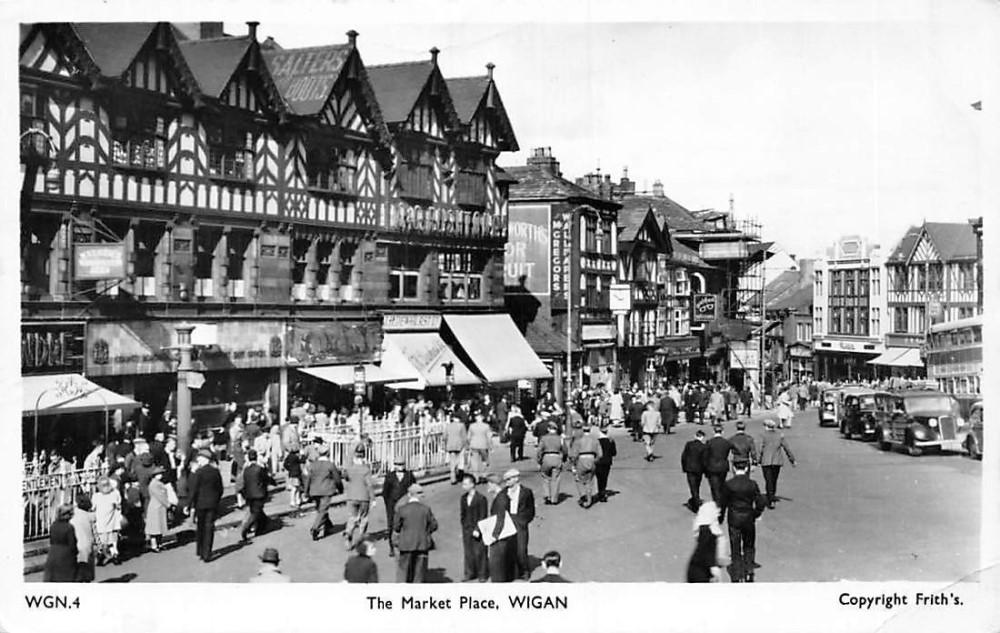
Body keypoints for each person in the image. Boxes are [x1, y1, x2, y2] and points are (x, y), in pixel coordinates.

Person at [720, 460, 767, 582]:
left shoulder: (729, 484)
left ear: (734, 469)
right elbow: (761, 501)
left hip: (734, 517)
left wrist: (720, 517)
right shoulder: (752, 484)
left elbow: (722, 503)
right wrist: (756, 513)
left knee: (735, 546)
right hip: (748, 517)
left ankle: (736, 574)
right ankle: (749, 571)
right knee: (749, 544)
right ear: (747, 469)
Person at [494, 469, 536, 580]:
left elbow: (531, 510)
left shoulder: (526, 492)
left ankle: (524, 571)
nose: (506, 482)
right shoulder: (503, 493)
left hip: (520, 521)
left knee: (521, 549)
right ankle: (511, 572)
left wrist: (524, 521)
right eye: (505, 480)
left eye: (509, 479)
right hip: (508, 521)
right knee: (509, 548)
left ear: (516, 479)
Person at [393, 483, 438, 583]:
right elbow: (434, 525)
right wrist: (425, 531)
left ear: (409, 495)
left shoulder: (402, 509)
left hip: (406, 544)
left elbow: (396, 526)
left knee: (403, 571)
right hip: (422, 544)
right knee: (419, 573)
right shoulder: (426, 509)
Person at [187, 450, 223, 562]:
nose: (198, 460)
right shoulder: (215, 472)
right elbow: (220, 489)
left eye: (200, 458)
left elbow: (193, 490)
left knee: (201, 527)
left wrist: (189, 504)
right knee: (209, 528)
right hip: (212, 504)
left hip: (200, 504)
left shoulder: (198, 472)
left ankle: (201, 551)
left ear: (205, 460)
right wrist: (216, 500)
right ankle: (207, 553)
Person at [305, 443, 343, 540]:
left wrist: (306, 492)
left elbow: (308, 479)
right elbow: (337, 478)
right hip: (326, 490)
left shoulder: (313, 465)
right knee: (323, 510)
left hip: (314, 491)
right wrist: (340, 488)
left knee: (320, 509)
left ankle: (328, 526)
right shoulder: (330, 465)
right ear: (328, 453)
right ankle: (315, 528)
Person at [380, 456, 416, 557]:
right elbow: (385, 492)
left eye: (401, 464)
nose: (399, 467)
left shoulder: (409, 475)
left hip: (405, 504)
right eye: (397, 464)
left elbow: (413, 489)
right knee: (392, 524)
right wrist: (388, 504)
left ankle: (405, 546)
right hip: (392, 504)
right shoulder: (390, 476)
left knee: (405, 524)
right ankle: (392, 547)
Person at [343, 445, 376, 551]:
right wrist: (373, 498)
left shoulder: (350, 469)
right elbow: (369, 485)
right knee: (364, 518)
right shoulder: (366, 469)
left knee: (352, 517)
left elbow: (346, 478)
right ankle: (361, 538)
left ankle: (349, 533)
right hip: (364, 497)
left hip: (351, 496)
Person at [758, 419, 797, 508]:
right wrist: (792, 460)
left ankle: (770, 498)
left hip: (766, 461)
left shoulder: (762, 435)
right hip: (777, 461)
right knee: (774, 480)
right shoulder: (779, 435)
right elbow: (787, 448)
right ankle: (772, 496)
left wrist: (756, 460)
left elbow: (760, 449)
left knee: (768, 480)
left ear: (766, 426)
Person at [459, 472, 489, 582]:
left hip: (478, 529)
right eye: (463, 484)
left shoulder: (481, 499)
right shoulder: (463, 498)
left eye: (466, 484)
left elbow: (483, 515)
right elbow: (463, 514)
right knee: (468, 552)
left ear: (472, 484)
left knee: (480, 552)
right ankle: (469, 573)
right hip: (467, 529)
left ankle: (482, 574)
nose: (464, 486)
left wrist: (478, 529)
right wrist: (464, 527)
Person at [485, 473, 515, 582]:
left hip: (500, 537)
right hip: (501, 535)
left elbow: (500, 518)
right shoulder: (501, 496)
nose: (487, 486)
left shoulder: (501, 499)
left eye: (489, 484)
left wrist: (494, 536)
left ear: (494, 484)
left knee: (497, 567)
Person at [686, 501, 725, 583]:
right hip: (703, 573)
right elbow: (706, 552)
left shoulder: (705, 529)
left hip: (698, 571)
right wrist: (713, 567)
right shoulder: (709, 531)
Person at [240, 450, 273, 543]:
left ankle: (262, 526)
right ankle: (245, 529)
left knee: (257, 511)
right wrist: (273, 482)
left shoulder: (246, 470)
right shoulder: (259, 469)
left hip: (249, 494)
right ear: (256, 457)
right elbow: (266, 478)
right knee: (255, 513)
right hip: (258, 493)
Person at [570, 421, 603, 508]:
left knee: (580, 480)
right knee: (589, 481)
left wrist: (573, 463)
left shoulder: (579, 441)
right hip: (591, 459)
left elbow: (574, 455)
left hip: (581, 459)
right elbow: (600, 454)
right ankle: (589, 499)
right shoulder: (595, 440)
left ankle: (583, 496)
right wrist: (595, 460)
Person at [92, 475, 122, 565]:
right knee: (111, 539)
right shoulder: (113, 494)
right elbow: (118, 506)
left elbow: (93, 508)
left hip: (103, 522)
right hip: (108, 521)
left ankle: (106, 554)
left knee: (104, 540)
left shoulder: (96, 496)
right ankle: (113, 554)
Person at [44, 504, 78, 582]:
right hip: (65, 556)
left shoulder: (53, 525)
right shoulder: (69, 527)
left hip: (53, 553)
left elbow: (51, 541)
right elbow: (72, 545)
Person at [536, 423, 567, 505]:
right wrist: (564, 459)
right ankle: (554, 499)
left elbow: (539, 450)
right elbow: (565, 450)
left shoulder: (543, 438)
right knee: (556, 479)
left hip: (546, 457)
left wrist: (539, 461)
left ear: (548, 429)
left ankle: (547, 496)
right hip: (557, 457)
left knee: (545, 477)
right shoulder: (560, 438)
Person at [70, 494, 97, 582]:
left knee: (78, 572)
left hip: (76, 545)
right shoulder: (90, 516)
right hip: (88, 545)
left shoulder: (72, 515)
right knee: (87, 571)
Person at [680, 429, 708, 512]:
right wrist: (705, 470)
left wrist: (684, 467)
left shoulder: (689, 445)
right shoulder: (704, 447)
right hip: (699, 469)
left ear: (695, 436)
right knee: (697, 485)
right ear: (702, 437)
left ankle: (696, 501)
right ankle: (696, 499)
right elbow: (705, 459)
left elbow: (684, 456)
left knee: (692, 486)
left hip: (690, 468)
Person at [704, 426, 733, 504]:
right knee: (721, 485)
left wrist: (705, 467)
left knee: (714, 487)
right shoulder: (726, 442)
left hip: (712, 467)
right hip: (723, 466)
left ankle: (717, 503)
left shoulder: (709, 442)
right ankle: (721, 501)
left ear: (713, 432)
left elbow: (705, 456)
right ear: (722, 432)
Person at [144, 467, 170, 552]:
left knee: (159, 527)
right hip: (156, 507)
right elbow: (160, 496)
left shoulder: (157, 483)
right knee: (155, 528)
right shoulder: (154, 484)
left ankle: (159, 544)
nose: (161, 475)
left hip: (159, 507)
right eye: (159, 474)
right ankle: (154, 545)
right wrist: (167, 504)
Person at [595, 424, 617, 503]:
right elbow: (614, 453)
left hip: (598, 461)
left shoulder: (596, 441)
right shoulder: (610, 441)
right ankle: (602, 492)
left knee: (599, 478)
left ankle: (600, 492)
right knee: (604, 478)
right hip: (607, 462)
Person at [467, 412, 492, 480]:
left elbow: (468, 437)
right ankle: (483, 474)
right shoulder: (486, 426)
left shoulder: (471, 426)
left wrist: (469, 444)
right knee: (484, 460)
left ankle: (476, 476)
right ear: (482, 418)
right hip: (483, 445)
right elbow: (489, 437)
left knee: (474, 461)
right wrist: (490, 446)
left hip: (474, 445)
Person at [444, 414, 468, 484]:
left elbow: (444, 437)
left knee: (452, 461)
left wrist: (446, 444)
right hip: (459, 445)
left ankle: (453, 478)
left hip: (450, 445)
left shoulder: (448, 426)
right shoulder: (461, 425)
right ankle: (460, 476)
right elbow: (464, 437)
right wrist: (466, 446)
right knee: (460, 460)